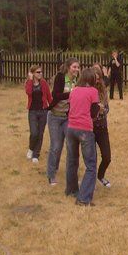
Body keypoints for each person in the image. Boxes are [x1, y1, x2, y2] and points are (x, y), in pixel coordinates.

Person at [66, 68, 100, 206]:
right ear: (92, 79)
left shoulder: (74, 90)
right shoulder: (93, 91)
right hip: (85, 129)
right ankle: (84, 198)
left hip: (70, 128)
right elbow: (93, 113)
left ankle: (71, 190)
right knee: (91, 165)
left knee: (72, 160)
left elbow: (69, 108)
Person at [47, 57, 80, 186]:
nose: (76, 69)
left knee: (71, 146)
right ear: (68, 67)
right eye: (74, 67)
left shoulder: (77, 80)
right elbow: (56, 95)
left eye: (78, 67)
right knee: (56, 146)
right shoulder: (60, 77)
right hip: (55, 116)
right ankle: (51, 174)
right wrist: (71, 94)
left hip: (68, 117)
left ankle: (72, 175)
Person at [25, 65, 52, 164]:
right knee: (34, 133)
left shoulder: (44, 83)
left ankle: (36, 154)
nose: (40, 74)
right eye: (38, 72)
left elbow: (49, 96)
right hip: (32, 111)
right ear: (32, 73)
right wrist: (30, 80)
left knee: (40, 133)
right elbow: (28, 92)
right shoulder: (29, 83)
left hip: (43, 111)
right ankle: (31, 148)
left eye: (41, 72)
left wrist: (52, 107)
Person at [92, 63, 112, 188]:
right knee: (91, 158)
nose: (97, 81)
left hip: (102, 126)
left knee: (107, 157)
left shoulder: (103, 90)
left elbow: (107, 108)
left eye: (99, 78)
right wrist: (95, 111)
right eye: (95, 78)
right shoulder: (87, 90)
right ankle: (90, 181)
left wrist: (102, 110)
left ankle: (100, 175)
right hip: (90, 127)